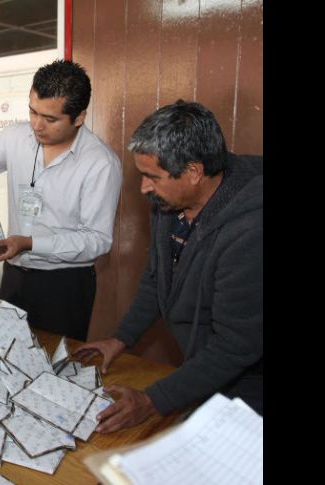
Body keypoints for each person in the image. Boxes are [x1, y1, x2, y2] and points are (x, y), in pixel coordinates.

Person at [74, 100, 263, 433]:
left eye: (152, 177)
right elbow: (157, 279)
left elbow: (237, 344)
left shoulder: (250, 230)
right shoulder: (168, 200)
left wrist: (152, 401)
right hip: (208, 366)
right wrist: (121, 338)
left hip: (251, 379)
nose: (143, 187)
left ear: (193, 172)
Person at [0, 59, 122, 340]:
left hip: (64, 286)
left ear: (79, 117)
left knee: (54, 367)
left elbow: (97, 240)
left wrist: (30, 243)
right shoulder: (15, 138)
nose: (37, 125)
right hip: (14, 275)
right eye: (33, 112)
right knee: (1, 358)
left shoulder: (101, 164)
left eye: (50, 119)